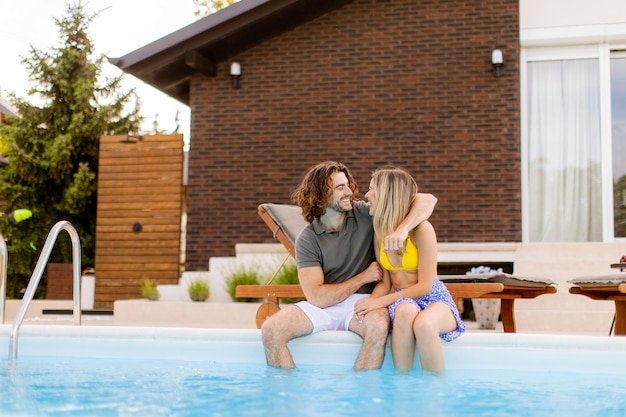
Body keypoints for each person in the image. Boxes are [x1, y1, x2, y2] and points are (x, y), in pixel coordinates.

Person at [261, 161, 438, 370]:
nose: (350, 192)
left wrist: (402, 229)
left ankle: (360, 394)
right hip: (325, 307)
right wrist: (364, 277)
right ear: (321, 195)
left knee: (378, 327)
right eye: (340, 188)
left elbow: (427, 200)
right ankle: (288, 394)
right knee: (270, 330)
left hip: (364, 302)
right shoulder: (307, 239)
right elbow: (317, 297)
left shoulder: (365, 213)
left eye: (348, 185)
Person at [354, 167, 465, 373]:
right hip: (401, 300)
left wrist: (380, 301)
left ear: (387, 194)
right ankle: (403, 386)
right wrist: (369, 306)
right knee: (404, 310)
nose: (366, 195)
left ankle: (435, 393)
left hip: (433, 298)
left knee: (424, 325)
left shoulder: (421, 230)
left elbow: (425, 285)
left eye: (371, 189)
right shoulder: (379, 232)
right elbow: (386, 283)